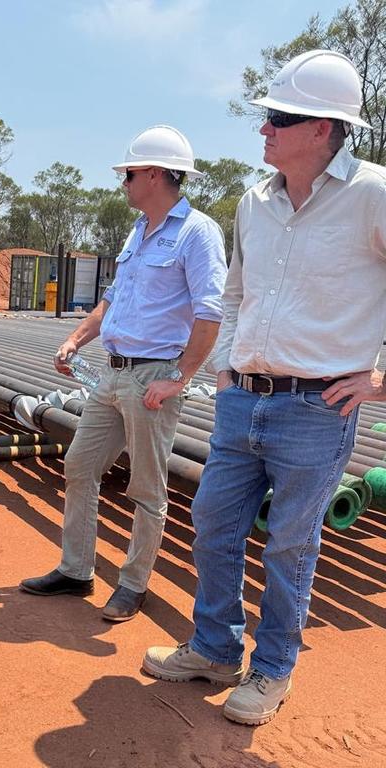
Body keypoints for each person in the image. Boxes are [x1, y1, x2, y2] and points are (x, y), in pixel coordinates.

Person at [143, 50, 386, 726]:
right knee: (213, 524)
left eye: (279, 117)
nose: (264, 130)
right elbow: (238, 291)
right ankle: (215, 650)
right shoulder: (255, 202)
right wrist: (224, 367)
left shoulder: (375, 195)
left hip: (318, 408)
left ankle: (273, 670)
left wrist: (381, 379)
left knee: (290, 543)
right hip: (243, 396)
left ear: (324, 129)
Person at [20, 126, 227, 621]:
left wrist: (179, 376)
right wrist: (76, 339)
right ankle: (76, 570)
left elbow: (210, 313)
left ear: (155, 174)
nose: (124, 182)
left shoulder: (198, 232)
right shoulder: (138, 232)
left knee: (148, 488)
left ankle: (133, 585)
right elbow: (110, 302)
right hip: (113, 377)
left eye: (129, 174)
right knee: (80, 466)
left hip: (153, 378)